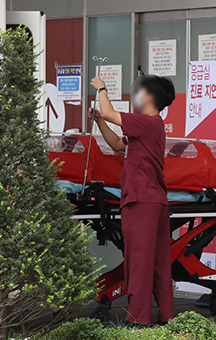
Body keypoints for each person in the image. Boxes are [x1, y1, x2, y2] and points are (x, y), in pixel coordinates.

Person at [88, 74, 176, 327]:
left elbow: (110, 113)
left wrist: (102, 88)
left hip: (141, 201)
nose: (136, 95)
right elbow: (117, 144)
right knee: (159, 264)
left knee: (138, 262)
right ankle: (166, 318)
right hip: (155, 201)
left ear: (149, 97)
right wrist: (99, 122)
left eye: (139, 91)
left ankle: (137, 321)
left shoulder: (147, 122)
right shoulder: (151, 125)